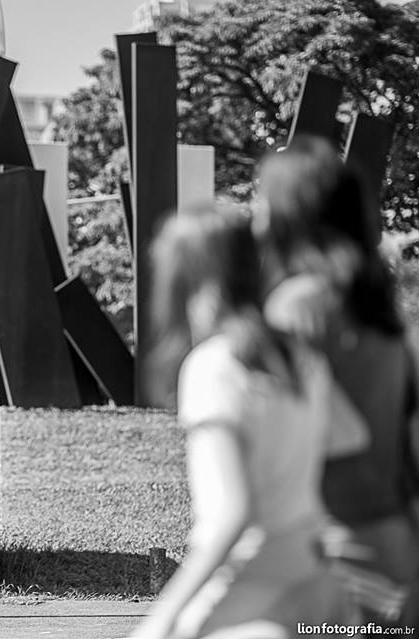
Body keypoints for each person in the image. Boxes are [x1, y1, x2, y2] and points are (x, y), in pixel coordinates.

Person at [133, 206, 354, 639]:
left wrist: (161, 620)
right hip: (314, 586)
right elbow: (349, 439)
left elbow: (230, 517)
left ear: (192, 281)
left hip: (243, 599)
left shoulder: (214, 366)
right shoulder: (302, 357)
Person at [254, 135, 419, 625]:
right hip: (393, 543)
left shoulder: (298, 305)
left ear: (291, 211)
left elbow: (304, 435)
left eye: (261, 195)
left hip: (332, 555)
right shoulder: (381, 310)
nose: (254, 211)